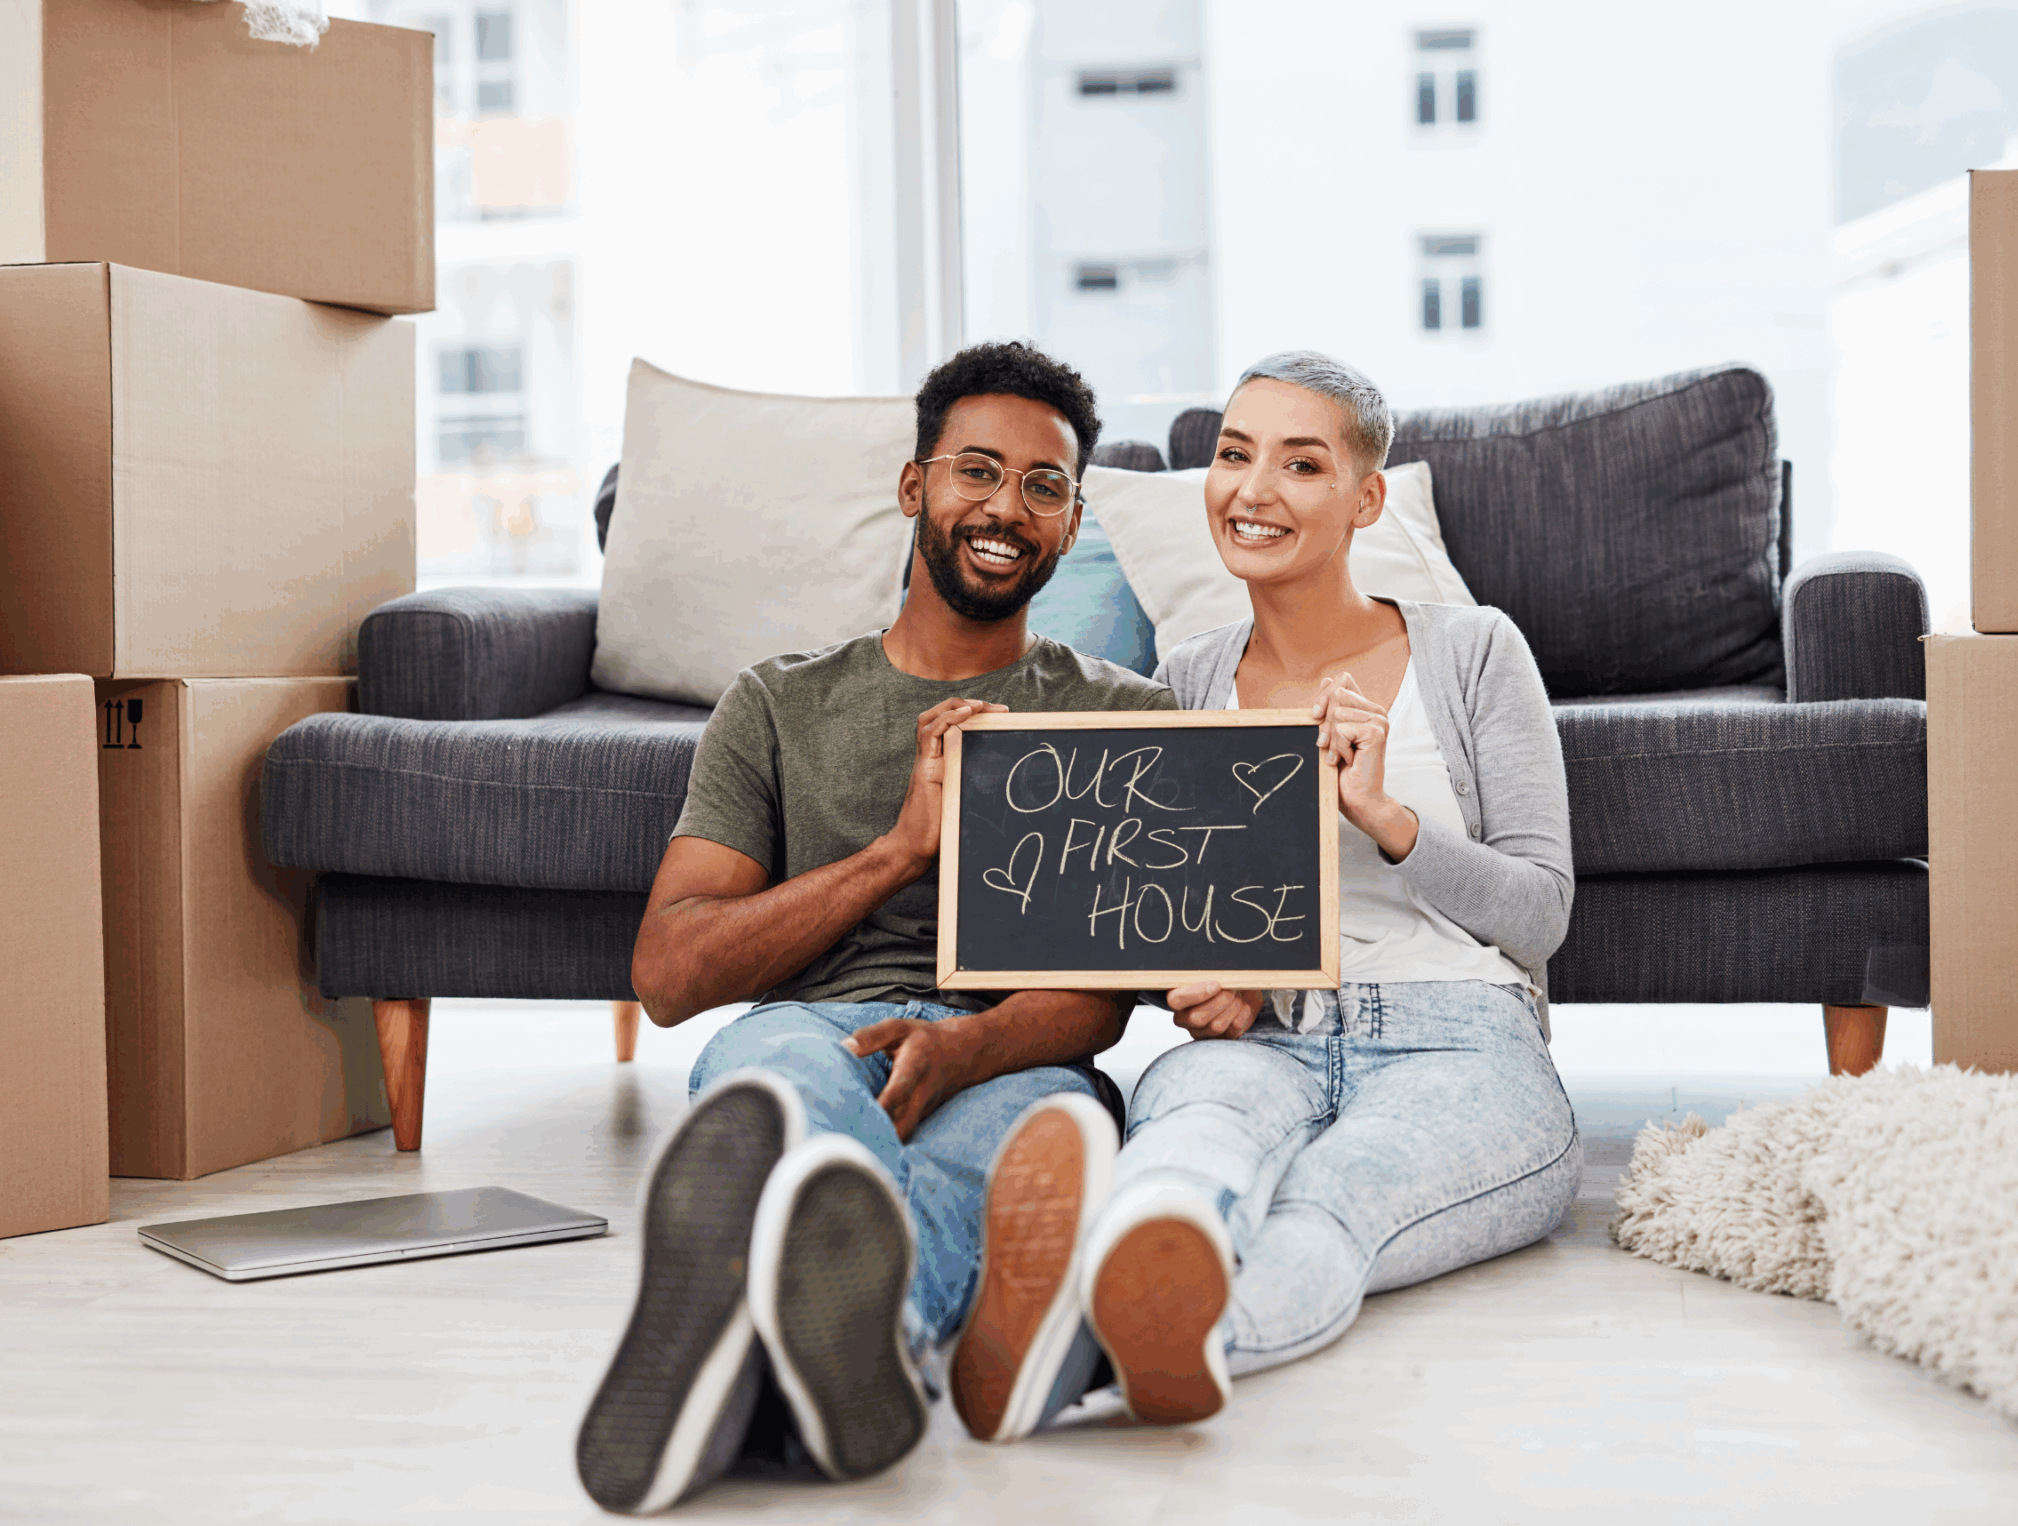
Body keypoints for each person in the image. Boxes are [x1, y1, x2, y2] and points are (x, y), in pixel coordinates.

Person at [573, 341, 1176, 1515]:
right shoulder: (776, 703)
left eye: (1043, 487)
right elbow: (671, 971)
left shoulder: (1122, 714)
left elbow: (1104, 1001)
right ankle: (850, 1359)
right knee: (781, 1101)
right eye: (976, 471)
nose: (1006, 507)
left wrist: (964, 1048)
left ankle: (778, 1355)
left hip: (1014, 1049)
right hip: (813, 1030)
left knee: (1026, 1147)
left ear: (1068, 523)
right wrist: (899, 849)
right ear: (914, 489)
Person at [952, 350, 1583, 1441]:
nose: (1252, 490)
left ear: (1364, 499)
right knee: (1183, 1161)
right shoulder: (1187, 677)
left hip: (1458, 1039)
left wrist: (1386, 821)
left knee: (1326, 1205)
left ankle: (1087, 1353)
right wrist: (1194, 980)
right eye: (1233, 455)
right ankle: (1091, 1309)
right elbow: (1158, 915)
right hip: (1260, 1040)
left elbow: (1540, 915)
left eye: (1300, 465)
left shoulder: (1474, 650)